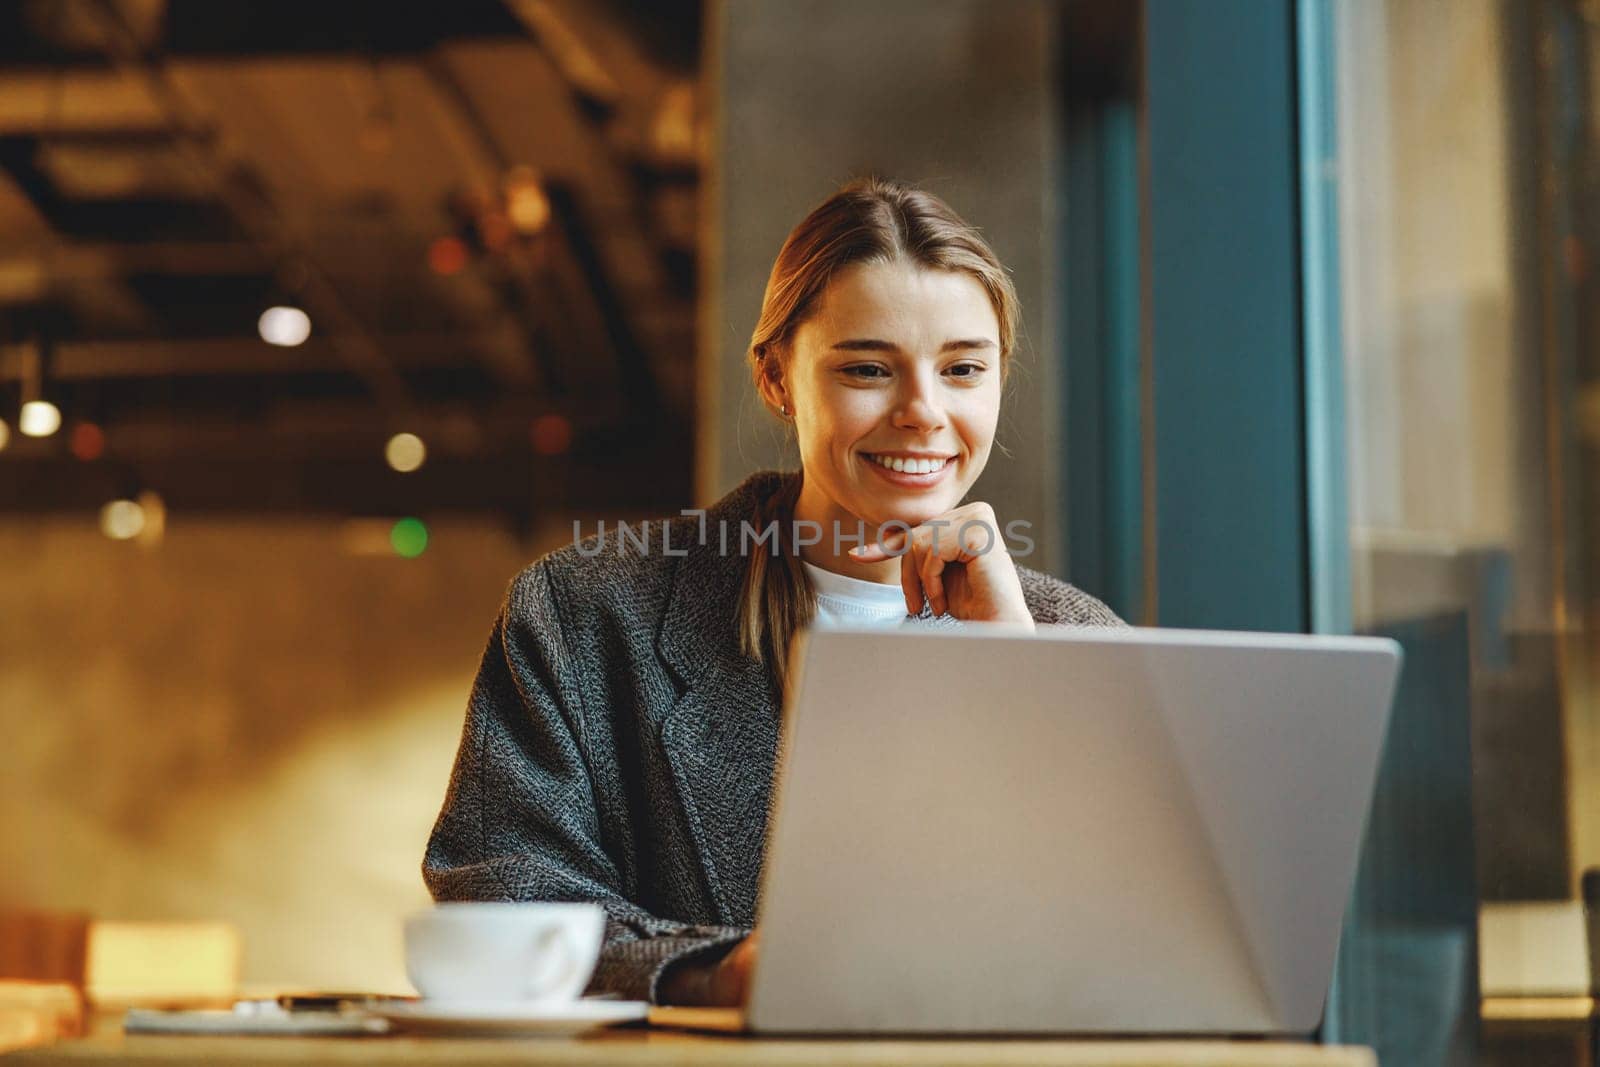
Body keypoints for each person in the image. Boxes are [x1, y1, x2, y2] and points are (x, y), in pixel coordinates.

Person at [422, 177, 1124, 1007]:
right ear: (777, 380)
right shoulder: (583, 615)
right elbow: (499, 888)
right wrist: (714, 971)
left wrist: (1015, 685)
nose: (924, 412)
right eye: (868, 368)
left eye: (964, 369)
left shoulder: (1078, 639)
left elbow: (1138, 943)